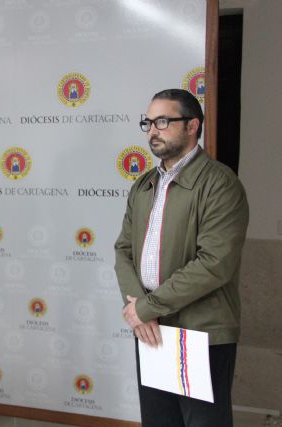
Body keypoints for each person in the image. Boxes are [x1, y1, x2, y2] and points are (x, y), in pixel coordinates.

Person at [114, 88, 249, 427]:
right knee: (159, 421)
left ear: (192, 126)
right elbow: (123, 250)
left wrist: (146, 308)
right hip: (152, 330)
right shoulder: (144, 185)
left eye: (163, 121)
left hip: (200, 332)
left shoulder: (220, 184)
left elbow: (214, 263)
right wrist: (139, 310)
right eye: (148, 123)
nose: (152, 131)